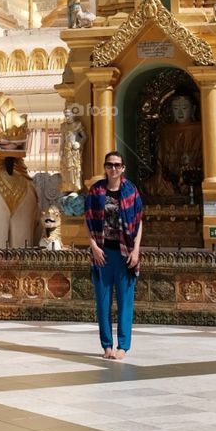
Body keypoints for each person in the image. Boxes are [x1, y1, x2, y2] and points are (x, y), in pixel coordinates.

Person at [84, 151, 143, 360]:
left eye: (117, 165)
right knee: (103, 301)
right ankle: (107, 345)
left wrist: (136, 250)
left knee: (125, 301)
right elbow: (88, 220)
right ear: (105, 167)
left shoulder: (130, 191)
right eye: (110, 165)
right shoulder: (96, 191)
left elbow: (139, 221)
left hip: (125, 253)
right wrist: (94, 247)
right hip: (103, 252)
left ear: (123, 168)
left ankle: (123, 346)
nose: (114, 169)